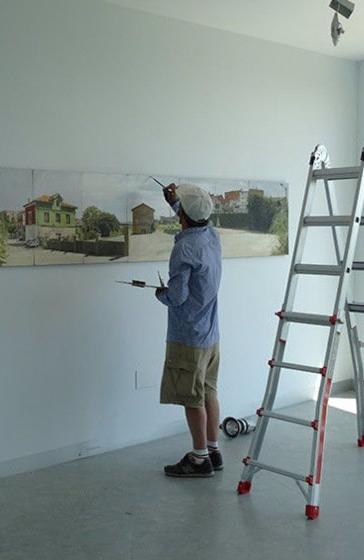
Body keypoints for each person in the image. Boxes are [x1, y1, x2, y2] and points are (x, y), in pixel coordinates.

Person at [154, 182, 223, 478]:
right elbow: (194, 221)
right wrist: (176, 203)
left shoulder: (183, 246)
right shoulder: (212, 236)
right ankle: (212, 450)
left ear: (182, 212)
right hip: (210, 336)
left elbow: (178, 296)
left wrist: (161, 294)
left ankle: (198, 459)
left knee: (192, 399)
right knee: (208, 392)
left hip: (188, 337)